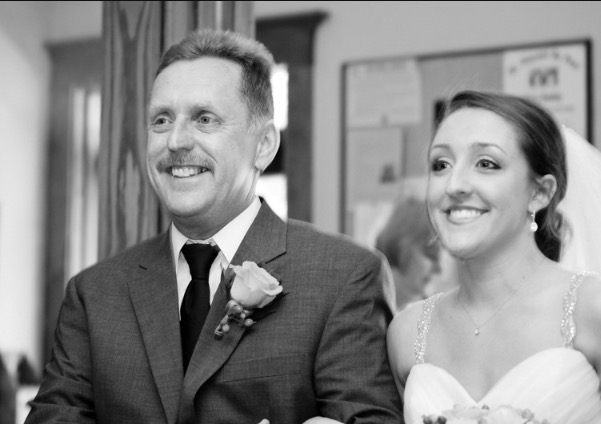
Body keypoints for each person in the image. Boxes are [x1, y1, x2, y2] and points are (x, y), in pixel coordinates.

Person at [25, 29, 402, 423]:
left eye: (204, 119)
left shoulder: (345, 275)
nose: (175, 141)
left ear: (264, 145)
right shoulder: (93, 295)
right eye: (161, 120)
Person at [387, 90, 601, 423]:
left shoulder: (592, 307)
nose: (454, 185)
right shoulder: (407, 332)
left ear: (540, 192)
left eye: (486, 164)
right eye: (440, 165)